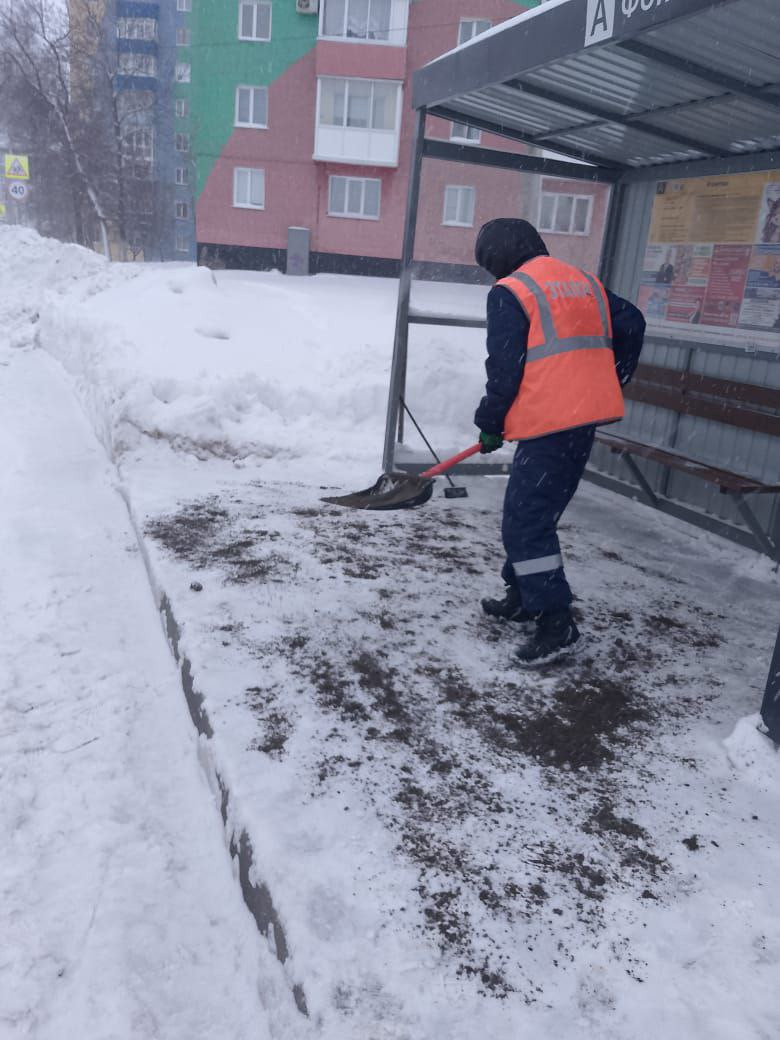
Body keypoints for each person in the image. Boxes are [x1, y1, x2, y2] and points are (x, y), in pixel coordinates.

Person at [474, 218, 646, 666]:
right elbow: (634, 322)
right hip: (578, 422)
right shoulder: (581, 281)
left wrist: (490, 420)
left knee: (526, 520)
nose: (492, 274)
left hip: (553, 423)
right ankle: (523, 595)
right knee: (532, 512)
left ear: (497, 255)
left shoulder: (512, 291)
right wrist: (612, 377)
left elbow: (505, 367)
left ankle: (556, 622)